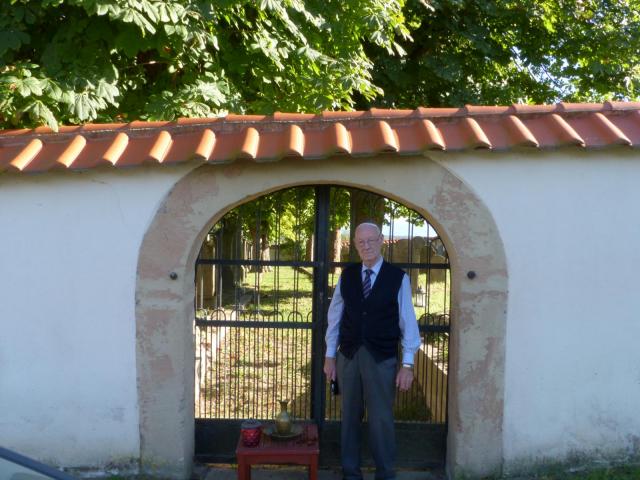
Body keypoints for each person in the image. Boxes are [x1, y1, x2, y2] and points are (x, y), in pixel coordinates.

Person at [324, 222, 421, 480]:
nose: (366, 245)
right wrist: (330, 356)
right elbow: (335, 317)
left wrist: (407, 364)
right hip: (348, 355)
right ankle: (350, 473)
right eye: (361, 242)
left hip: (381, 358)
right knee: (349, 417)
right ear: (355, 245)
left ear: (381, 241)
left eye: (371, 240)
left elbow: (408, 322)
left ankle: (385, 474)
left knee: (381, 420)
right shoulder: (347, 276)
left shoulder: (398, 278)